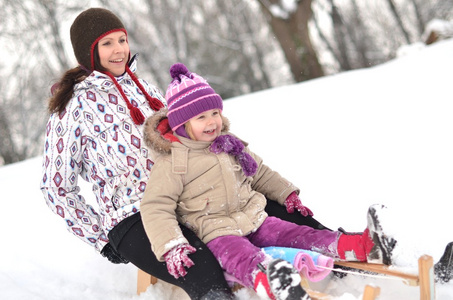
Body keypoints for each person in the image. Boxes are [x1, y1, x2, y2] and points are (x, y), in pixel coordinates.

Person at [39, 7, 333, 300]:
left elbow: (188, 134)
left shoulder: (145, 89)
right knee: (200, 265)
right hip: (133, 216)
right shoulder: (71, 109)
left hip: (187, 194)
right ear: (88, 52)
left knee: (267, 207)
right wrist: (102, 240)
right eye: (107, 44)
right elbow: (56, 187)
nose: (119, 50)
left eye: (122, 40)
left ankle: (341, 249)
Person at [140, 63, 397, 299]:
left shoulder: (229, 145)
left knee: (299, 234)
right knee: (240, 256)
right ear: (182, 125)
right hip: (215, 231)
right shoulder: (173, 162)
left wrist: (287, 194)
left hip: (254, 218)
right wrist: (171, 245)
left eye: (215, 112)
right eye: (201, 117)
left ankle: (361, 246)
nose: (212, 122)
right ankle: (272, 279)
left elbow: (260, 173)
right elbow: (155, 206)